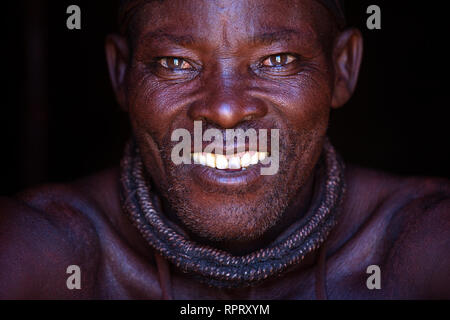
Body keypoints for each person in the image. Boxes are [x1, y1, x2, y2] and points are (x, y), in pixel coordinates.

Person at [0, 0, 448, 299]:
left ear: (343, 68)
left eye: (277, 60)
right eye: (176, 63)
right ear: (121, 74)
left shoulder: (421, 248)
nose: (227, 109)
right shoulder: (41, 255)